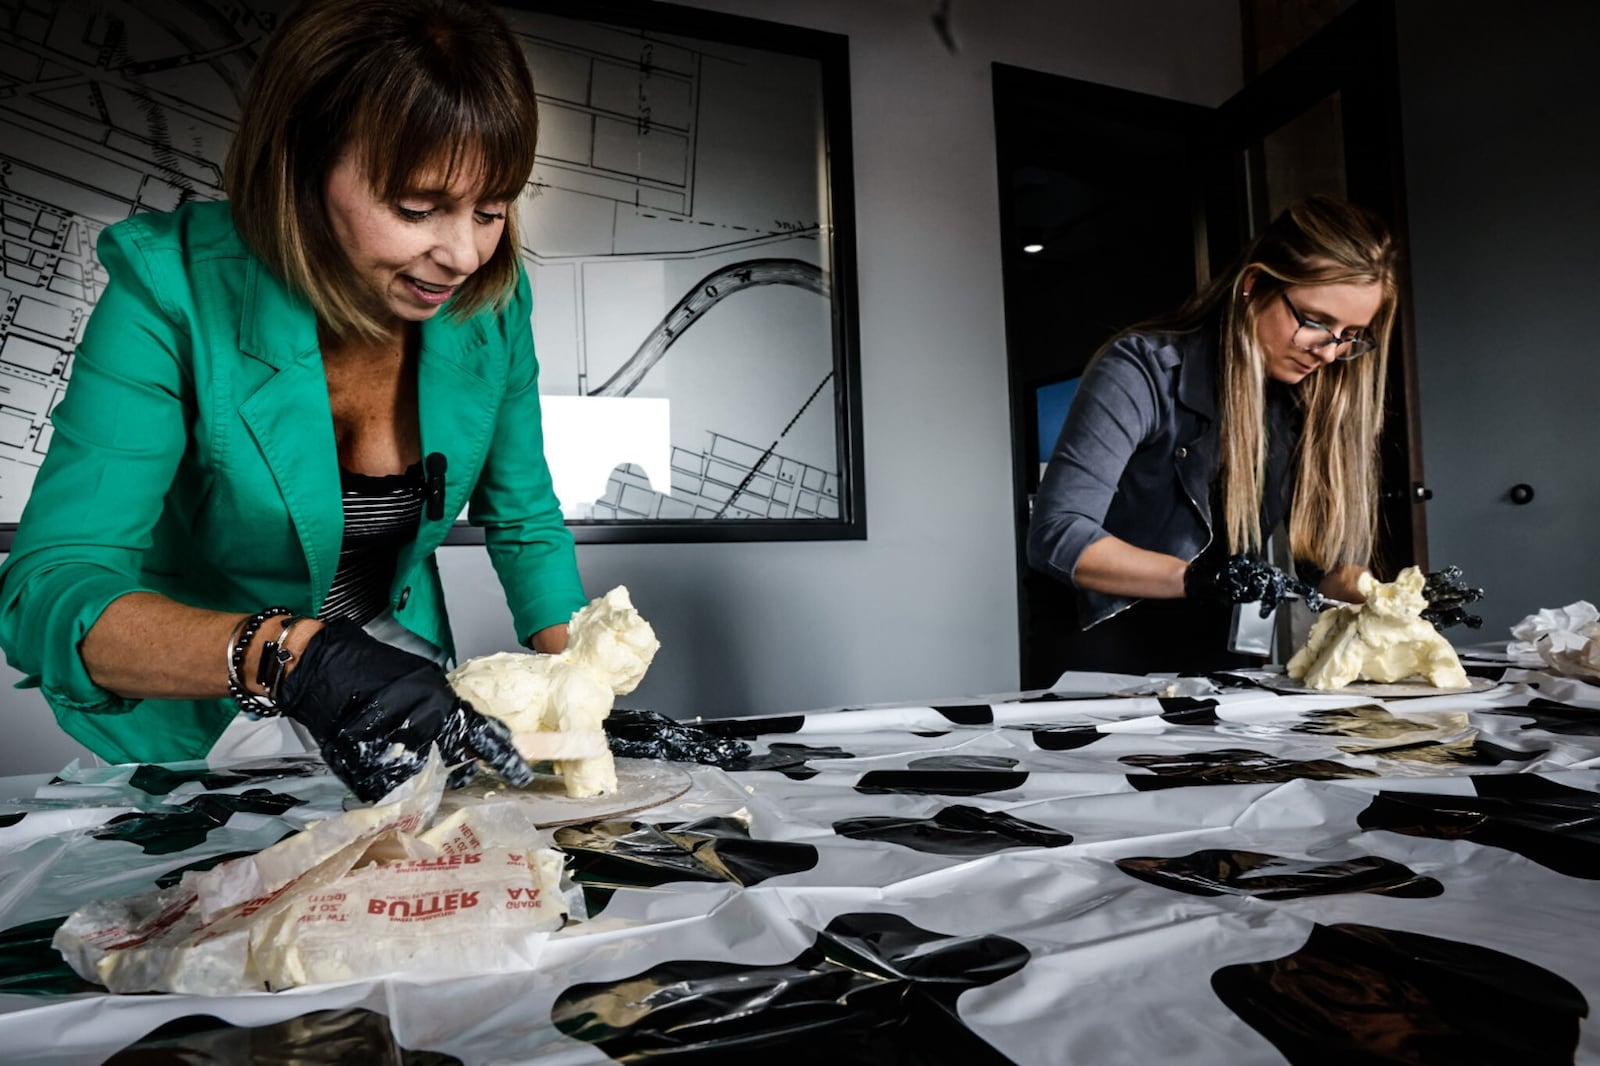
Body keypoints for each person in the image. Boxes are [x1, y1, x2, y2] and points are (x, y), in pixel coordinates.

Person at [0, 0, 587, 802]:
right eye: (417, 208)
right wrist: (290, 656)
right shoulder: (167, 286)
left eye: (491, 210)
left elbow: (526, 520)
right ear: (302, 168)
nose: (461, 255)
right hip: (205, 716)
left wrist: (580, 693)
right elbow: (50, 591)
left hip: (396, 681)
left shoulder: (492, 298)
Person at [1026, 195, 1480, 676]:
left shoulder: (1316, 397)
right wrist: (1198, 579)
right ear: (1255, 285)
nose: (1329, 352)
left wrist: (1396, 600)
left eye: (1350, 333)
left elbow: (1330, 573)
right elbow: (1058, 535)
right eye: (1316, 321)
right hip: (1102, 642)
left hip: (1222, 645)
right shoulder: (1141, 370)